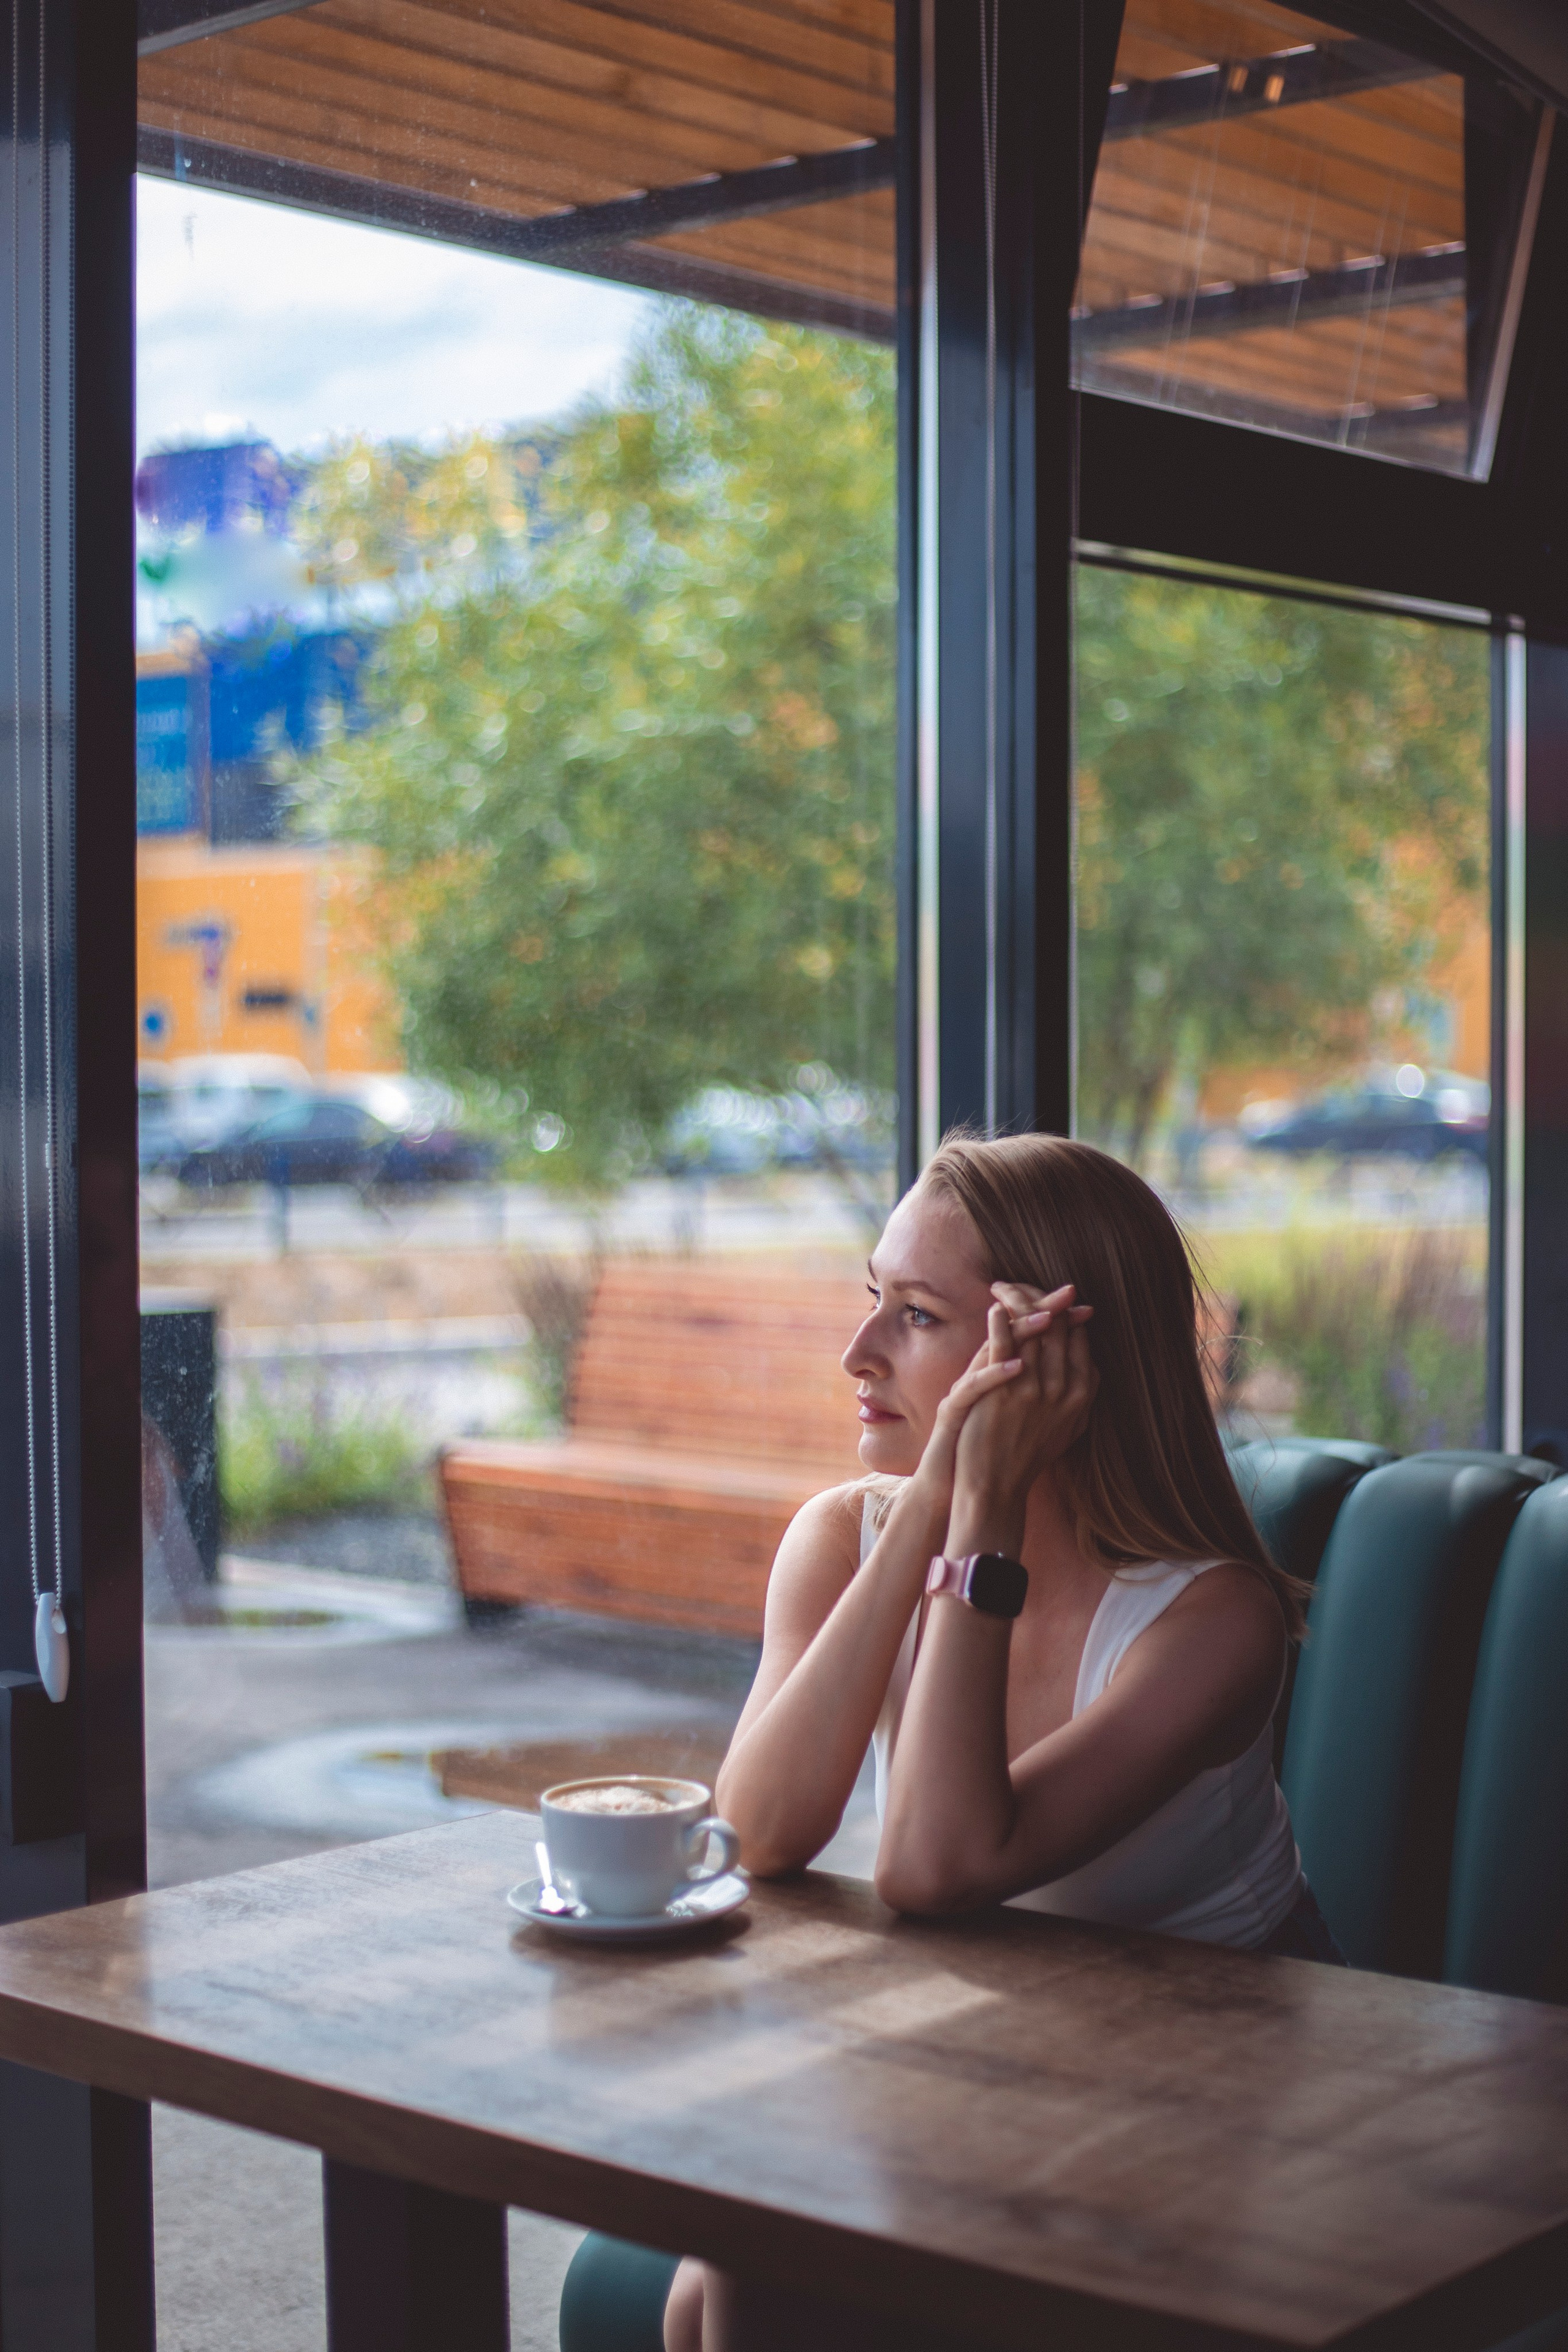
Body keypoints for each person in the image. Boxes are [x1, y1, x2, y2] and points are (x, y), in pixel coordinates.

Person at [663, 1133, 1341, 2352]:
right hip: (979, 2050)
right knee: (724, 2271)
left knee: (748, 2283)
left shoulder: (1208, 1619)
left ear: (1055, 1358)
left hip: (1200, 2094)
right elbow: (756, 1834)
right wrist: (929, 1499)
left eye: (914, 1316)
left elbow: (936, 1865)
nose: (855, 1354)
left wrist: (975, 1510)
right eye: (871, 1297)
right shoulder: (840, 1536)